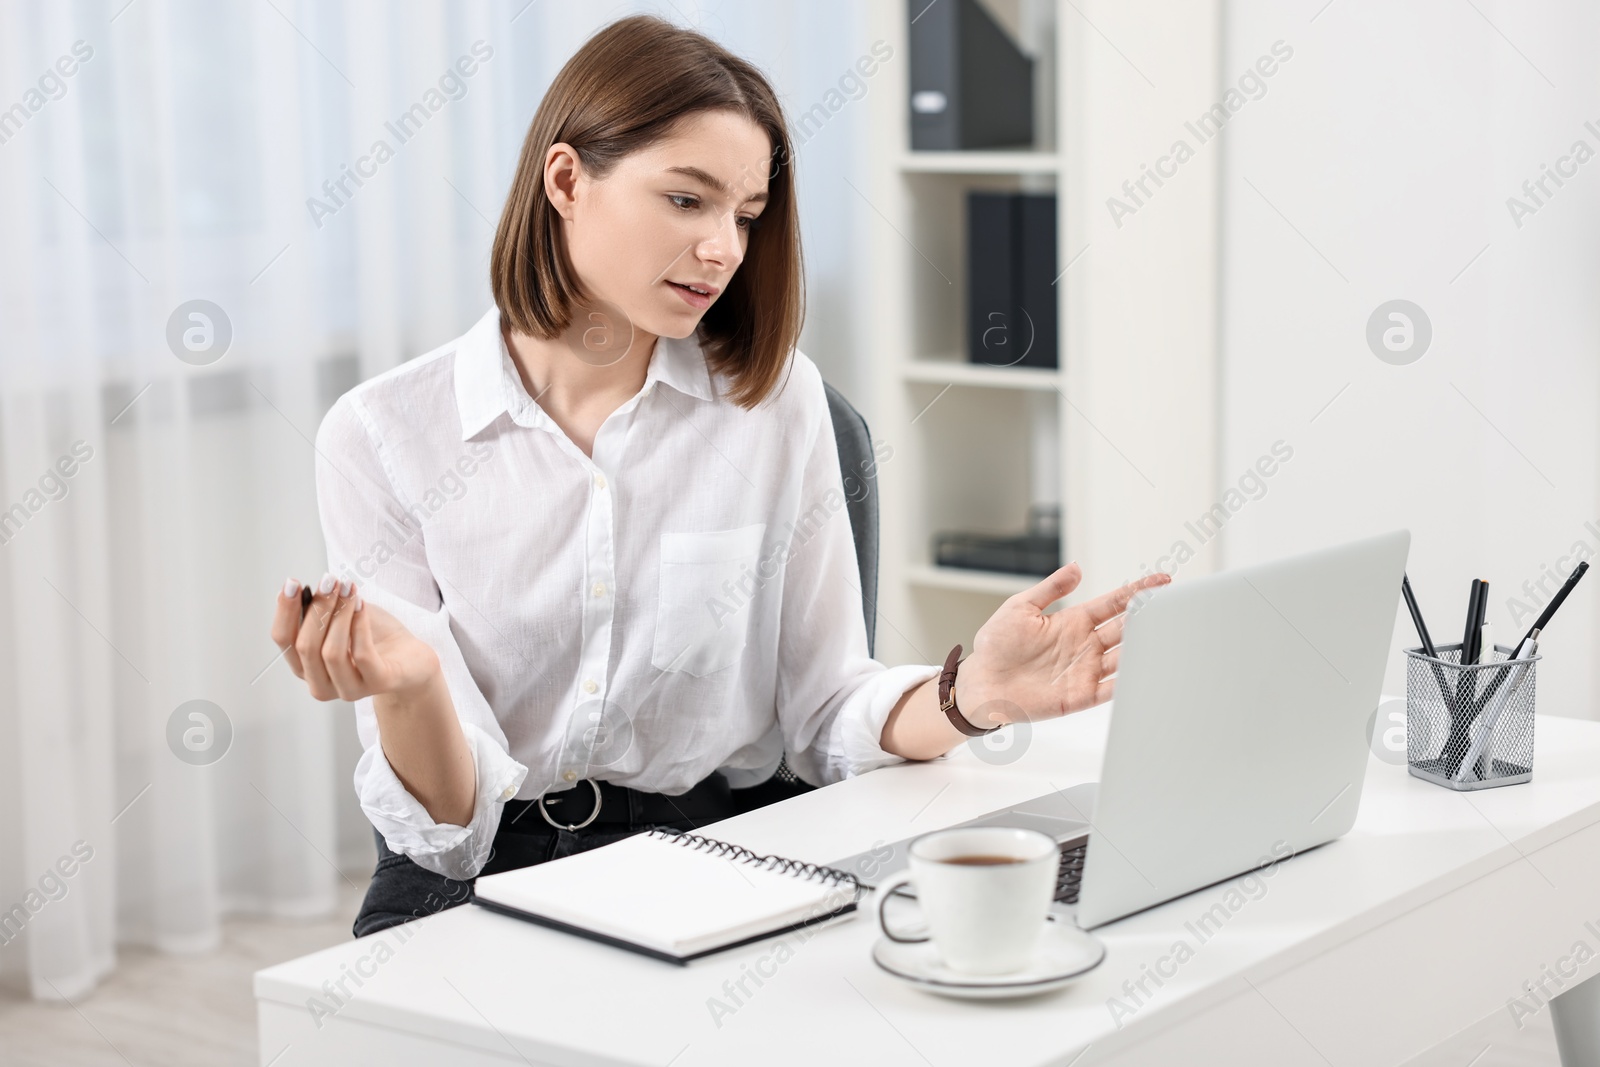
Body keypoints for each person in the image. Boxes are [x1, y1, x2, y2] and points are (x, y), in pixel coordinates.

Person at [267, 14, 1169, 938]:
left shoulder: (774, 405)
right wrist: (412, 687)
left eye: (745, 215)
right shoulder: (383, 434)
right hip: (484, 867)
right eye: (687, 201)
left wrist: (971, 695)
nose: (725, 251)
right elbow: (447, 837)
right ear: (567, 179)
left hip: (713, 849)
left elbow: (824, 710)